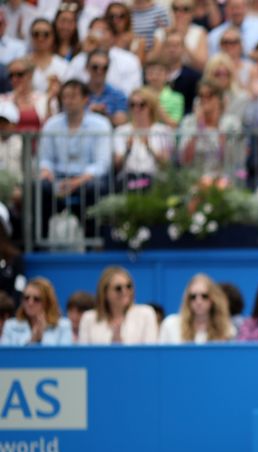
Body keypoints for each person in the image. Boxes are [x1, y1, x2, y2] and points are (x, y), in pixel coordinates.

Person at [37, 79, 112, 239]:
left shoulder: (100, 124)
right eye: (65, 97)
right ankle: (38, 244)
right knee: (39, 187)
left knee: (95, 188)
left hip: (86, 180)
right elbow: (46, 159)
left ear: (85, 99)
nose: (68, 101)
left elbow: (101, 164)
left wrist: (77, 181)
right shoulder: (51, 125)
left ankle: (94, 242)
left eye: (73, 96)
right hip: (58, 178)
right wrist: (46, 172)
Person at [78, 266, 159, 344]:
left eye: (129, 286)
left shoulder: (146, 314)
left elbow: (150, 354)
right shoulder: (88, 318)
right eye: (118, 288)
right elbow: (83, 355)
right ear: (105, 292)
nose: (125, 291)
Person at [113, 87, 174, 190]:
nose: (136, 109)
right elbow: (117, 166)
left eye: (141, 105)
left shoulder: (163, 131)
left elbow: (166, 164)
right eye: (132, 105)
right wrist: (128, 149)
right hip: (128, 178)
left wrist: (149, 147)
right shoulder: (121, 131)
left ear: (151, 107)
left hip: (155, 178)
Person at [159, 273, 235, 343]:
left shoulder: (227, 329)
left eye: (204, 296)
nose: (198, 301)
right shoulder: (171, 325)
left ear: (213, 299)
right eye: (193, 297)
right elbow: (160, 356)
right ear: (188, 300)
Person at [0, 276, 73, 345]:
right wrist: (33, 340)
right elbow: (5, 356)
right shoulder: (10, 325)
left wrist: (41, 338)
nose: (30, 303)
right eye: (26, 298)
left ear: (47, 302)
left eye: (36, 299)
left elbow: (63, 357)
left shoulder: (64, 326)